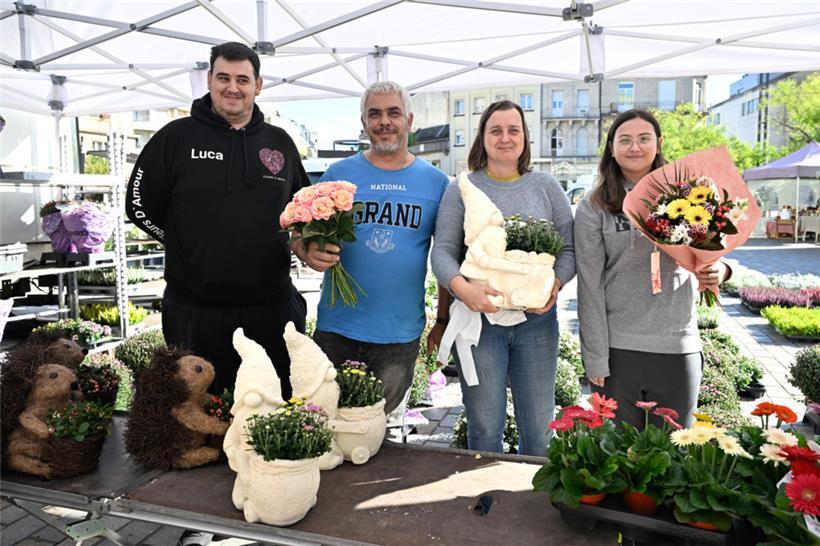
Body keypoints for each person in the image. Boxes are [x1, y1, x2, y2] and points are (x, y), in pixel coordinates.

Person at [126, 41, 308, 399]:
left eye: (243, 79)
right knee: (198, 413)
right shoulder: (175, 138)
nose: (232, 87)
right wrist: (188, 246)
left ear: (258, 85)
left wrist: (308, 243)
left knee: (273, 409)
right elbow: (139, 206)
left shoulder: (280, 143)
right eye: (223, 77)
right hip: (195, 312)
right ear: (209, 80)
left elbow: (302, 211)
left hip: (270, 308)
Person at [295, 81, 450, 415]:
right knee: (325, 422)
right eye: (374, 114)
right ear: (364, 122)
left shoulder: (436, 183)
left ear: (409, 121)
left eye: (393, 113)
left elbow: (446, 258)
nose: (384, 121)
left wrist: (443, 319)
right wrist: (306, 251)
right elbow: (300, 232)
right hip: (337, 329)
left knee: (377, 425)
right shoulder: (338, 174)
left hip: (399, 335)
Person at [430, 100, 575, 456]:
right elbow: (443, 252)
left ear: (525, 137)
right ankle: (486, 491)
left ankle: (531, 490)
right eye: (496, 130)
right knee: (483, 428)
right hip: (479, 325)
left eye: (514, 130)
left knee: (539, 431)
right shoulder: (461, 188)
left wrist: (554, 285)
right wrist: (464, 290)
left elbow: (570, 249)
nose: (505, 138)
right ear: (482, 137)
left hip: (537, 324)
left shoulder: (546, 186)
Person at [574, 109, 730, 430]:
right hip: (618, 349)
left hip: (677, 344)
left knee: (674, 450)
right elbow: (589, 286)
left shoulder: (688, 194)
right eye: (625, 140)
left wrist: (720, 270)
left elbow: (715, 248)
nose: (635, 147)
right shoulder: (595, 205)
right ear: (611, 148)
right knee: (618, 452)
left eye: (644, 138)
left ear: (659, 143)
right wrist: (595, 356)